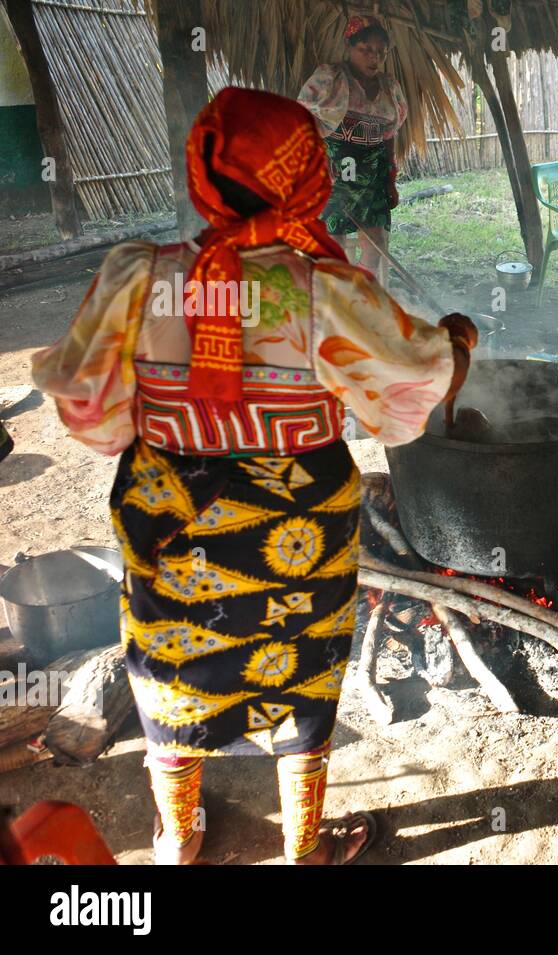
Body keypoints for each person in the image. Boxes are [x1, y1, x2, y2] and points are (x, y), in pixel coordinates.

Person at [31, 87, 477, 865]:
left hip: (169, 527)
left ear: (203, 177)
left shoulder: (139, 278)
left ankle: (178, 838)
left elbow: (91, 415)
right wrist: (457, 345)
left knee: (173, 674)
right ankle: (303, 847)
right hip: (296, 539)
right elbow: (410, 396)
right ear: (310, 181)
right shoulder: (319, 292)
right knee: (300, 676)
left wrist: (171, 413)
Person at [298, 14, 408, 284]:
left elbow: (389, 135)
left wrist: (390, 179)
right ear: (349, 47)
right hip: (334, 173)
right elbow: (301, 116)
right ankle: (336, 300)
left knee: (375, 245)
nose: (374, 58)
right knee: (333, 246)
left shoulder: (389, 87)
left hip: (372, 176)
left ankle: (360, 294)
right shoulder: (330, 77)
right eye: (366, 50)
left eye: (380, 53)